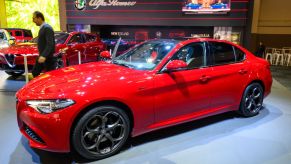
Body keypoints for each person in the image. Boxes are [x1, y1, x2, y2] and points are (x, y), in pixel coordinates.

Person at [32, 11, 56, 77]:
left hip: (47, 57)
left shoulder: (47, 28)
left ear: (39, 18)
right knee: (35, 72)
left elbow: (50, 44)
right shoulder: (43, 28)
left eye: (34, 18)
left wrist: (44, 55)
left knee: (50, 75)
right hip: (43, 56)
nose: (33, 21)